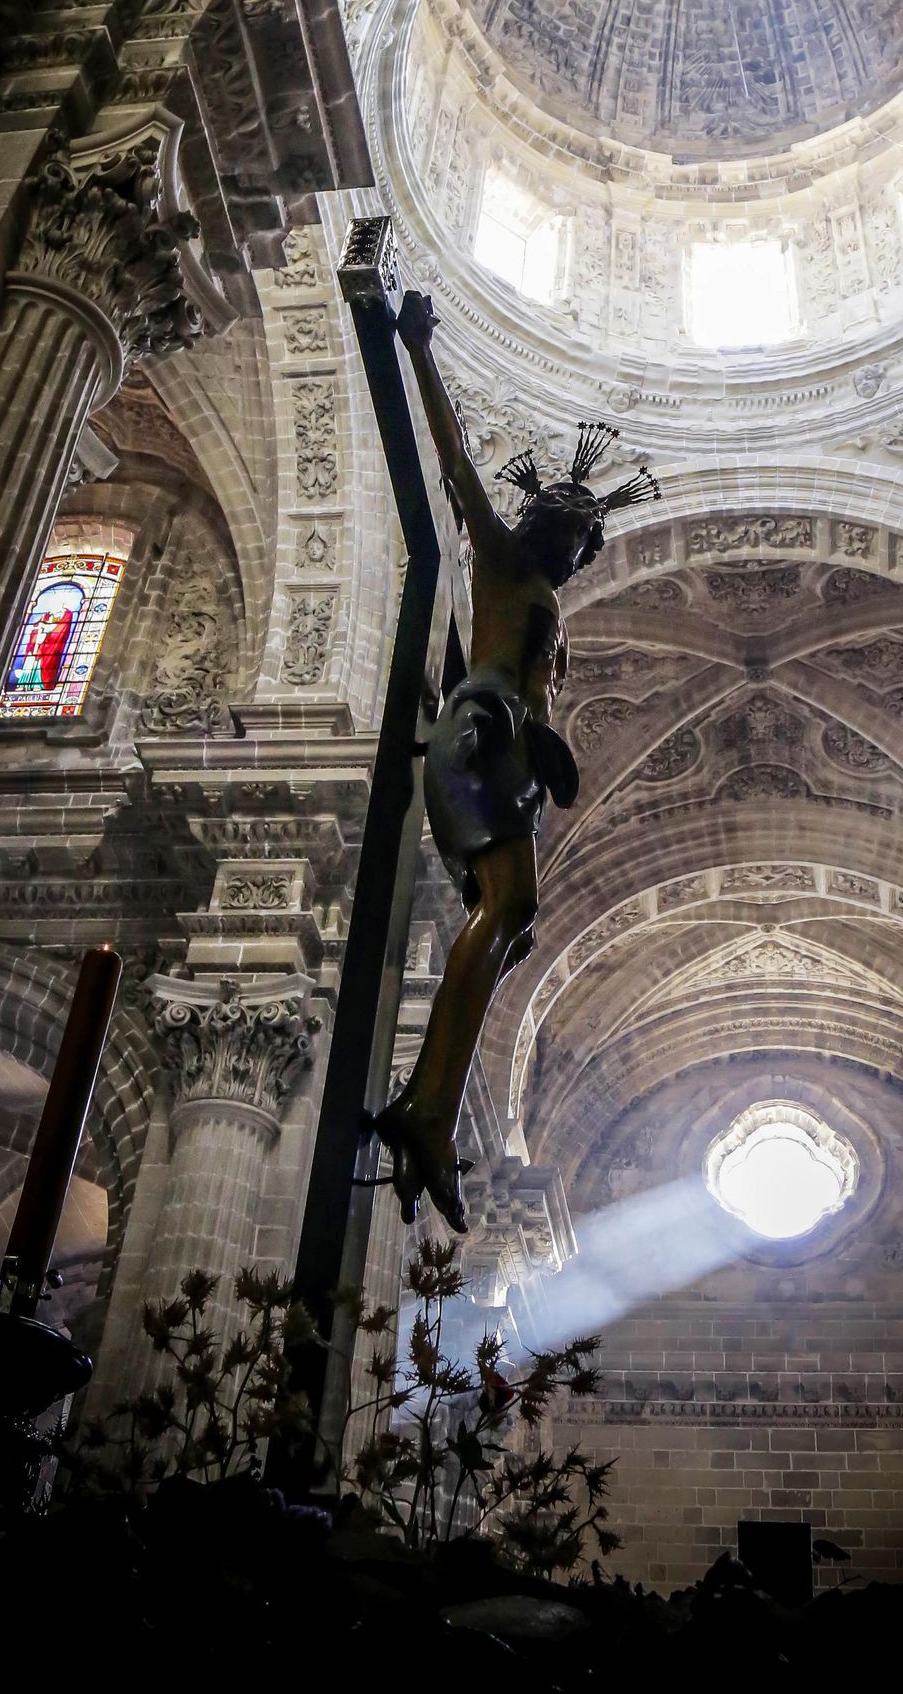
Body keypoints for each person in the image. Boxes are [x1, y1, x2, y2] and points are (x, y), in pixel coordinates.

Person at [375, 291, 659, 1229]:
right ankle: (424, 1110)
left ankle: (430, 1103)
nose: (578, 541)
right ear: (540, 518)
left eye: (589, 536)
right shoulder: (501, 561)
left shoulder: (545, 595)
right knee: (514, 908)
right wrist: (419, 347)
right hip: (485, 732)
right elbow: (455, 468)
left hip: (515, 754)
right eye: (570, 522)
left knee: (520, 923)